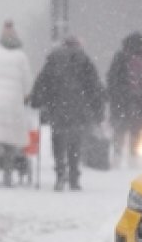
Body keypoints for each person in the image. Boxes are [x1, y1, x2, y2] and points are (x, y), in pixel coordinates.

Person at [30, 35, 105, 192]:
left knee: (58, 141)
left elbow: (42, 82)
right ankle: (74, 177)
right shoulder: (84, 60)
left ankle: (60, 173)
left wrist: (36, 100)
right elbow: (94, 87)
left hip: (57, 108)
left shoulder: (53, 60)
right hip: (78, 109)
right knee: (75, 143)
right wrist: (98, 110)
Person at [0, 21, 34, 188]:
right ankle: (8, 173)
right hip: (13, 103)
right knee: (11, 139)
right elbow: (28, 83)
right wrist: (24, 95)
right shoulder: (21, 57)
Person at [106, 31, 142, 168]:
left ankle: (117, 158)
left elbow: (111, 78)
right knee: (135, 131)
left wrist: (116, 93)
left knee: (119, 130)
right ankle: (133, 159)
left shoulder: (121, 57)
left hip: (122, 102)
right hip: (141, 103)